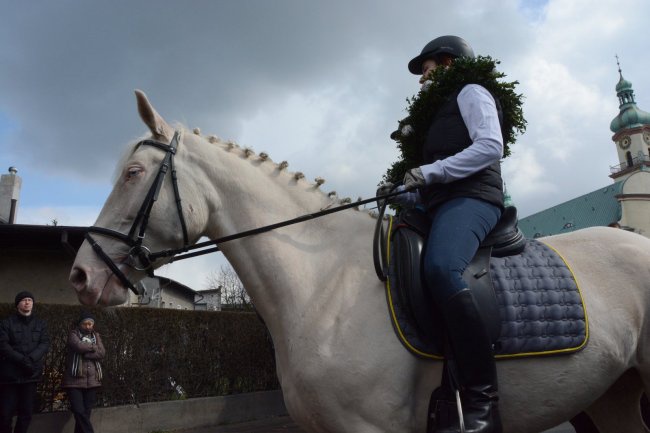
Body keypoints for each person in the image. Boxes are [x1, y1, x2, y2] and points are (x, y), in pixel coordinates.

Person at [378, 35, 505, 433]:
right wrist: (403, 189)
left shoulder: (471, 91)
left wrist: (429, 173)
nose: (421, 81)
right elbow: (432, 174)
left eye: (427, 71)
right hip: (437, 204)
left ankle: (482, 397)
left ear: (449, 63)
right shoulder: (434, 120)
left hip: (474, 198)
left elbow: (490, 146)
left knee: (440, 268)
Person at [0, 291, 50, 433]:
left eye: (30, 300)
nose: (27, 302)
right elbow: (3, 345)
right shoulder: (6, 323)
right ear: (18, 305)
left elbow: (45, 343)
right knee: (5, 414)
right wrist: (22, 360)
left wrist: (31, 359)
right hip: (10, 377)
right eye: (24, 300)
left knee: (26, 414)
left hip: (30, 376)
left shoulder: (40, 324)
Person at [62, 312, 105, 433]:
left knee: (86, 413)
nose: (88, 326)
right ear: (80, 324)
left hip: (92, 381)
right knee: (79, 411)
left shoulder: (96, 336)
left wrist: (86, 351)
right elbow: (78, 346)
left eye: (90, 323)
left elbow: (102, 353)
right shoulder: (73, 334)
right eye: (85, 323)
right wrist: (93, 347)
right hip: (74, 380)